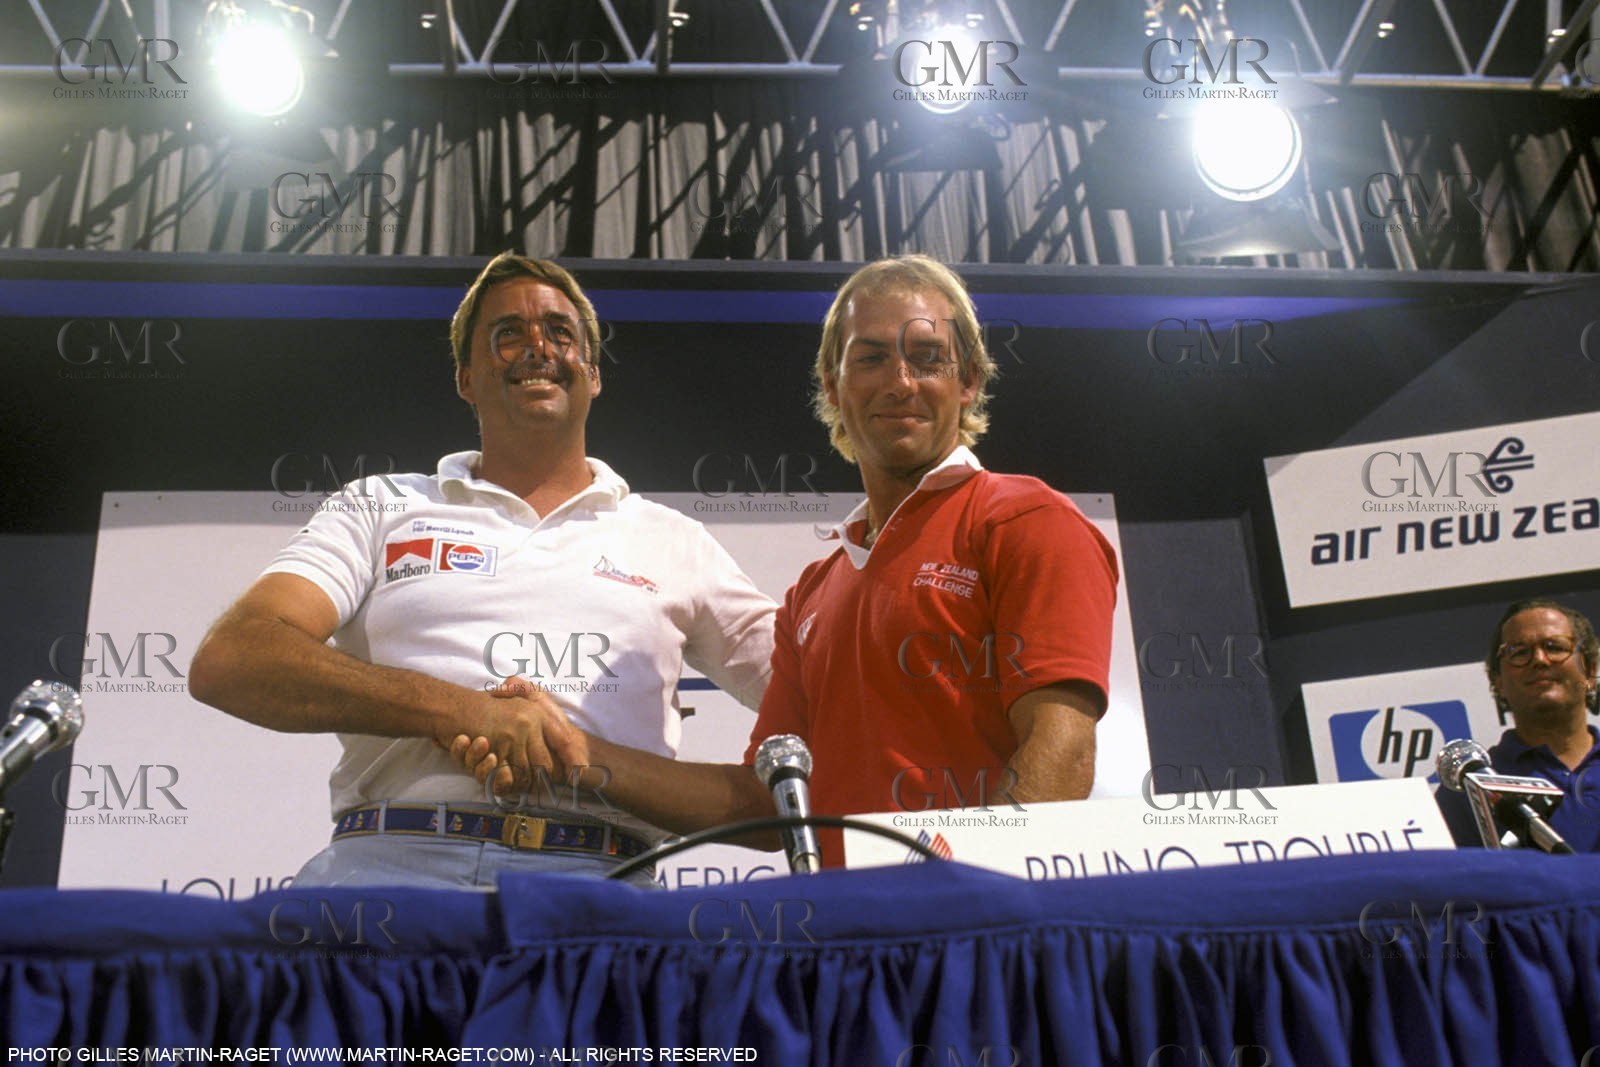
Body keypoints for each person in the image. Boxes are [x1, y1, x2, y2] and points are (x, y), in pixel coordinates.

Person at [453, 254, 1119, 868]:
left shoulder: (1024, 520)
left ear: (969, 379)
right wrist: (579, 752)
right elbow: (764, 805)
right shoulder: (813, 594)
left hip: (979, 938)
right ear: (832, 383)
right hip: (848, 951)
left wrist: (972, 900)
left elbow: (1061, 752)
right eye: (872, 358)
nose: (901, 381)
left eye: (927, 356)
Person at [188, 253, 776, 888]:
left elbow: (819, 702)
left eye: (560, 333)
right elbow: (236, 657)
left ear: (593, 373)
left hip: (605, 880)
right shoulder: (382, 505)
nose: (537, 348)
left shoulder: (675, 541)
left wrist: (586, 757)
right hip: (390, 869)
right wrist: (460, 711)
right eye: (507, 335)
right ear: (466, 377)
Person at [1435, 599, 1600, 850]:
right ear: (1498, 680)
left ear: (1590, 671)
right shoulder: (1470, 790)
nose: (1540, 660)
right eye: (1519, 652)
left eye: (1555, 647)